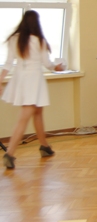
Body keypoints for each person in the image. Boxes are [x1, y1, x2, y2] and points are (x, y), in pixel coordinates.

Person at [1, 10, 64, 169]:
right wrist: (57, 67)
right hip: (34, 80)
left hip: (20, 79)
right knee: (24, 117)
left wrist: (0, 80)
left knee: (37, 112)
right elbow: (47, 64)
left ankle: (44, 146)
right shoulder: (38, 40)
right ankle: (10, 153)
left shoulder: (14, 39)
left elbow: (8, 63)